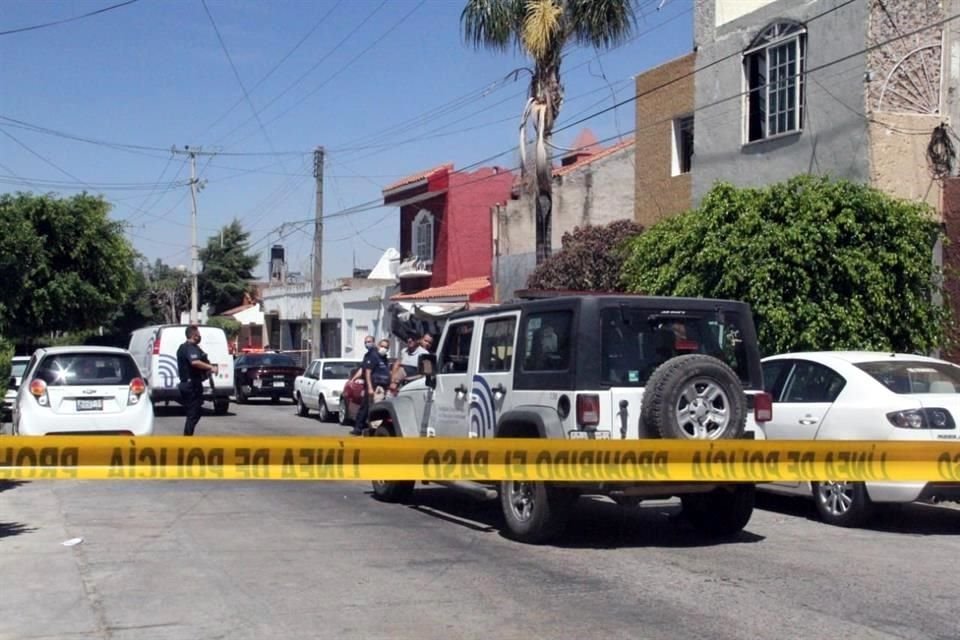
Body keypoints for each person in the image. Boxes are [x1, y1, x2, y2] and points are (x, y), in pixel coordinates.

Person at [177, 325, 219, 436]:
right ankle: (187, 439)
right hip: (191, 385)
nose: (200, 336)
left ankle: (188, 436)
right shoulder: (189, 347)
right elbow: (194, 362)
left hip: (191, 383)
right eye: (198, 334)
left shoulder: (188, 347)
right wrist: (210, 367)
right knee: (193, 413)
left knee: (195, 412)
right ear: (194, 335)